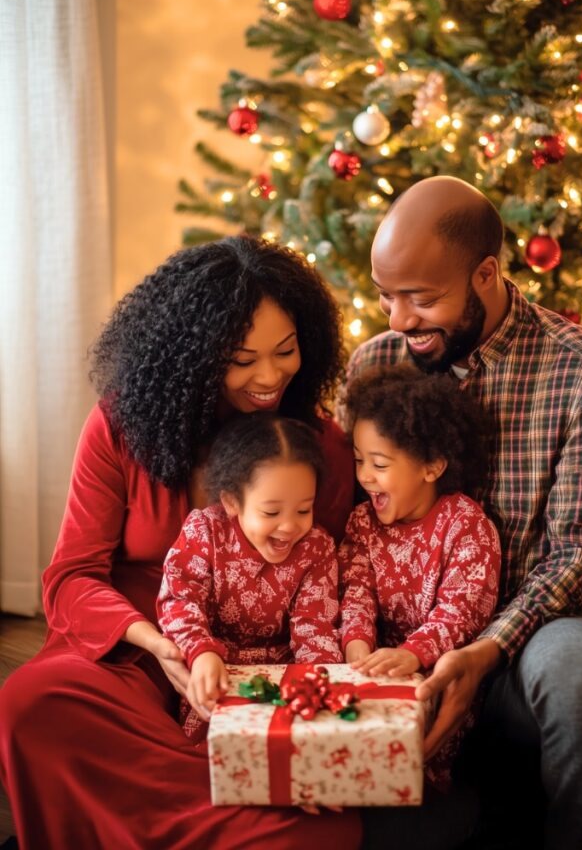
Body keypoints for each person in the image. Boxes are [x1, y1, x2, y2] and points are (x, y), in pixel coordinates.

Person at [0, 236, 361, 850]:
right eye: (243, 359)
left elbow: (330, 576)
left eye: (287, 351)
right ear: (189, 357)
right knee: (30, 702)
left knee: (321, 818)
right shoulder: (120, 427)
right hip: (134, 656)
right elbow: (71, 577)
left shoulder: (317, 447)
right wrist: (160, 645)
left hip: (259, 667)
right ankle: (234, 812)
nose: (270, 376)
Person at [344, 176, 582, 850]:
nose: (398, 321)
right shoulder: (377, 364)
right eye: (387, 296)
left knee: (581, 675)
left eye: (422, 299)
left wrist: (484, 650)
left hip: (539, 630)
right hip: (410, 631)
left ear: (485, 274)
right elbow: (357, 527)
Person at [338, 365, 501, 792]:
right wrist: (356, 647)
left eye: (378, 463)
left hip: (441, 678)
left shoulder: (465, 523)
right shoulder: (362, 523)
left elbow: (461, 612)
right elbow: (355, 591)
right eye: (358, 461)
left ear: (431, 466)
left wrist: (413, 654)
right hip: (380, 667)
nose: (365, 476)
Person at [158, 412, 342, 746]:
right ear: (231, 501)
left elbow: (315, 627)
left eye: (303, 510)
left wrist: (319, 685)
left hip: (288, 680)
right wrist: (200, 653)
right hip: (217, 676)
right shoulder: (205, 532)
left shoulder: (317, 547)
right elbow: (180, 601)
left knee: (303, 750)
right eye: (271, 512)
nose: (289, 526)